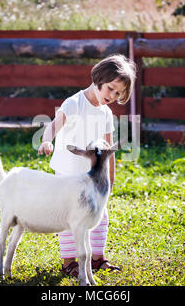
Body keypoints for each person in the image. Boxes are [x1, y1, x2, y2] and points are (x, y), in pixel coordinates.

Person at [37, 54, 136, 277]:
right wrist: (45, 140)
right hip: (68, 171)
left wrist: (110, 177)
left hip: (93, 175)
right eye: (111, 88)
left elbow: (108, 147)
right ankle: (69, 262)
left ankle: (97, 258)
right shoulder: (74, 103)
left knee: (100, 214)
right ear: (99, 79)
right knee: (70, 215)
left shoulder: (106, 113)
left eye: (119, 93)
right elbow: (54, 126)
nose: (114, 95)